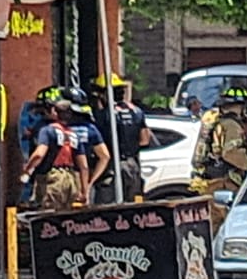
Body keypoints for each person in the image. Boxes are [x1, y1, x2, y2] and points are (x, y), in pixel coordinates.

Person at [21, 88, 91, 211]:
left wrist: (27, 170)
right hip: (70, 179)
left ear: (55, 112)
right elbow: (84, 166)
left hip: (52, 178)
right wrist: (84, 191)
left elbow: (39, 155)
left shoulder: (47, 130)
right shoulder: (73, 134)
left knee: (48, 215)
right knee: (66, 216)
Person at [199, 87, 247, 230]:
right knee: (234, 226)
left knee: (213, 227)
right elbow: (231, 153)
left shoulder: (219, 122)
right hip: (226, 183)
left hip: (212, 183)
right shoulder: (231, 125)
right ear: (241, 106)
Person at [89, 73, 153, 202]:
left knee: (107, 208)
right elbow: (145, 140)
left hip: (111, 166)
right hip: (132, 165)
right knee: (133, 206)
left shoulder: (103, 115)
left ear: (104, 94)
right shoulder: (137, 112)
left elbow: (96, 143)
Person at [60, 86, 112, 203]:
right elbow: (104, 156)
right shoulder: (90, 129)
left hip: (64, 177)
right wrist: (90, 182)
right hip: (84, 178)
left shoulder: (59, 129)